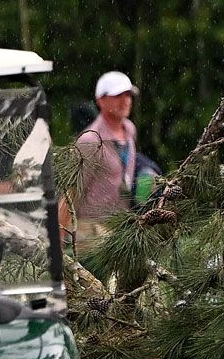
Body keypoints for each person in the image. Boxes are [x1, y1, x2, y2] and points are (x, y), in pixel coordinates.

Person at [69, 71, 161, 245]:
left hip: (120, 225)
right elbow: (72, 191)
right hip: (91, 229)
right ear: (100, 101)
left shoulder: (130, 129)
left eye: (128, 95)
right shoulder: (90, 140)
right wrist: (57, 244)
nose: (125, 100)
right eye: (118, 95)